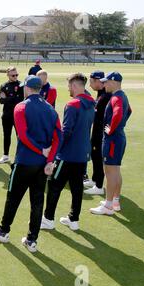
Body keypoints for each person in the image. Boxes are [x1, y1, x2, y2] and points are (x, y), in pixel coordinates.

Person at [0, 76, 62, 253]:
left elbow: (22, 135)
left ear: (27, 88)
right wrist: (50, 158)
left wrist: (40, 151)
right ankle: (32, 241)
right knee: (37, 202)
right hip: (42, 165)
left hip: (24, 162)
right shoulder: (51, 110)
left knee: (13, 198)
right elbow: (59, 136)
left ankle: (3, 231)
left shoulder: (20, 106)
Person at [41, 73, 95, 232]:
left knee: (54, 185)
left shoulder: (72, 105)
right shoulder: (92, 103)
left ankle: (48, 219)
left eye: (69, 86)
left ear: (75, 86)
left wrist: (53, 150)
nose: (68, 89)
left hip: (67, 154)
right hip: (82, 153)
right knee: (77, 187)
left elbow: (66, 132)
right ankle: (73, 219)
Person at [90, 72, 132, 216]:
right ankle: (115, 201)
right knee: (115, 171)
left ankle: (108, 206)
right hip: (118, 138)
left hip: (113, 140)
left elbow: (119, 113)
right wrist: (119, 127)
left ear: (114, 82)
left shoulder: (116, 97)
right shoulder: (122, 95)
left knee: (110, 172)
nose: (104, 84)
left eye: (106, 82)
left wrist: (110, 129)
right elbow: (129, 111)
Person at [84, 71, 112, 195]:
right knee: (95, 155)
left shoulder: (106, 96)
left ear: (97, 81)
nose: (90, 85)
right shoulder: (101, 94)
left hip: (101, 133)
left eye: (91, 82)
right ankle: (95, 180)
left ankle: (99, 186)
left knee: (98, 157)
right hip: (96, 132)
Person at [0, 67, 24, 164]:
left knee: (20, 136)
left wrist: (8, 97)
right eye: (13, 75)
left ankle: (20, 156)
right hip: (7, 115)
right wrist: (12, 98)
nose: (15, 77)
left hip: (18, 115)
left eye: (17, 75)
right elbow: (1, 100)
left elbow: (20, 100)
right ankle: (5, 156)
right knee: (6, 135)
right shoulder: (3, 85)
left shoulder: (21, 85)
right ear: (8, 75)